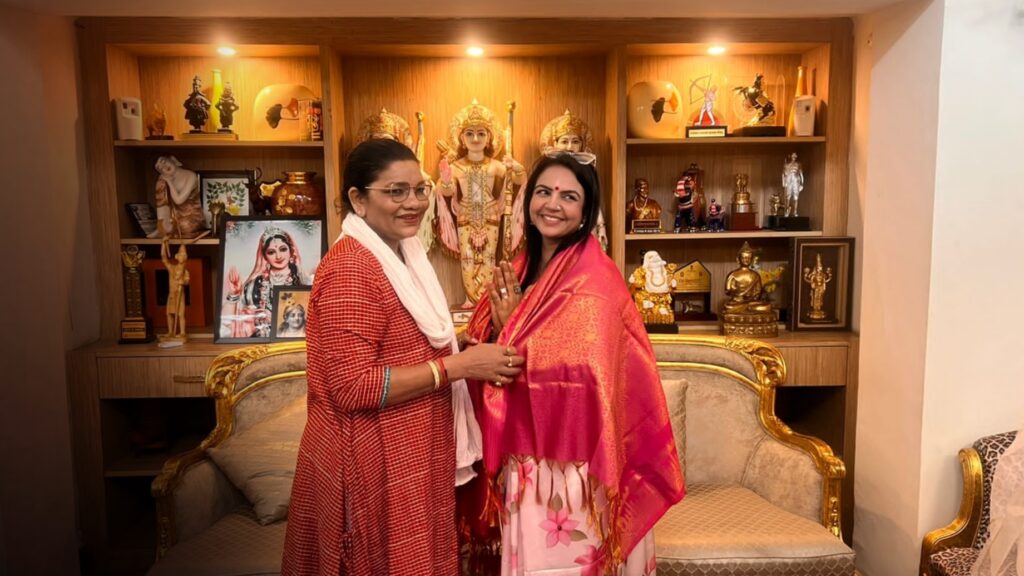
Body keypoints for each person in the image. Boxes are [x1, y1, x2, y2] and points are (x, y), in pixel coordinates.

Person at [282, 138, 524, 576]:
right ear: (358, 199)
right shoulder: (352, 268)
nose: (413, 203)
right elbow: (352, 387)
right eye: (396, 191)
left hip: (409, 454)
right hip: (367, 462)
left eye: (419, 189)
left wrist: (466, 344)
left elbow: (406, 344)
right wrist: (458, 366)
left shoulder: (403, 255)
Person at [462, 151, 685, 575]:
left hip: (578, 465)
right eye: (544, 192)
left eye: (569, 197)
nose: (553, 204)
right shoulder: (520, 270)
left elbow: (584, 375)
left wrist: (511, 330)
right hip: (524, 459)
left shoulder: (596, 279)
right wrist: (489, 337)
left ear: (586, 212)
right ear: (528, 201)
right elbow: (488, 357)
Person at [435, 100, 527, 307]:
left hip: (490, 216)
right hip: (465, 217)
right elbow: (446, 192)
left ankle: (486, 301)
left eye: (481, 134)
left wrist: (516, 166)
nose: (475, 139)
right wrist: (446, 180)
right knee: (467, 260)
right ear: (461, 138)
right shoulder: (456, 167)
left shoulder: (495, 166)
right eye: (469, 134)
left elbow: (520, 179)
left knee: (488, 259)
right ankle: (469, 300)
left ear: (489, 138)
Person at [221, 226, 310, 339]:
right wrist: (233, 294)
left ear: (291, 251)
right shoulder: (253, 285)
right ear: (265, 256)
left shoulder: (303, 281)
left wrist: (274, 319)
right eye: (271, 252)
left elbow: (310, 320)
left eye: (283, 249)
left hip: (292, 342)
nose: (278, 256)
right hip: (258, 343)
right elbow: (228, 323)